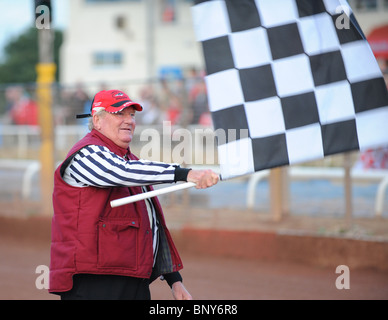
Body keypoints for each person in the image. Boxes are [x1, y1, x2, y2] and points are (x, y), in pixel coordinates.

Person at [48, 89, 219, 300]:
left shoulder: (132, 163)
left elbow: (152, 224)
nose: (128, 120)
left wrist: (174, 279)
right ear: (97, 120)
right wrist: (186, 174)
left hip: (132, 278)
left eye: (131, 115)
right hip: (93, 281)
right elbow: (119, 172)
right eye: (119, 114)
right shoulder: (86, 153)